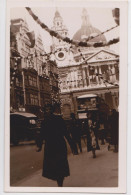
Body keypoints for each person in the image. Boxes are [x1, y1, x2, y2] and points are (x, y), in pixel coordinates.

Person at [36, 104, 76, 187]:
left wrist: (72, 145)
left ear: (52, 110)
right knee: (55, 166)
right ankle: (59, 181)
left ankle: (60, 182)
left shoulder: (58, 119)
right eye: (46, 109)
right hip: (51, 146)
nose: (48, 111)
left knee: (59, 165)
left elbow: (65, 132)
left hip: (59, 145)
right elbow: (42, 134)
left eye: (49, 109)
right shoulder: (45, 121)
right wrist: (39, 145)